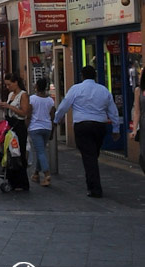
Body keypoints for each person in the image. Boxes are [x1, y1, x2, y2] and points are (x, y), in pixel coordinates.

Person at [54, 65, 120, 197]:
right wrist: (115, 128)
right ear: (94, 76)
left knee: (89, 157)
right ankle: (92, 182)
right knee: (93, 154)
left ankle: (95, 188)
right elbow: (112, 110)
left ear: (82, 76)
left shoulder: (76, 89)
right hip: (99, 125)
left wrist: (57, 120)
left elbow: (64, 105)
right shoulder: (103, 90)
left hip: (82, 125)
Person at [0, 72, 31, 191]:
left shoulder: (23, 95)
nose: (8, 87)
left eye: (9, 84)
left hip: (19, 126)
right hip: (10, 125)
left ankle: (21, 182)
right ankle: (12, 180)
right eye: (6, 85)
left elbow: (24, 113)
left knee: (19, 152)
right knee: (10, 152)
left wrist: (9, 106)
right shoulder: (11, 94)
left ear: (16, 82)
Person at [28, 77, 55, 186]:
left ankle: (47, 174)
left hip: (35, 127)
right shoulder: (50, 100)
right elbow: (53, 116)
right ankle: (35, 173)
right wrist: (52, 131)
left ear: (37, 86)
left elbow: (29, 115)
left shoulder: (32, 99)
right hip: (47, 127)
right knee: (41, 151)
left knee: (40, 152)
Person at [132, 68, 145, 174]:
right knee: (143, 156)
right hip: (144, 125)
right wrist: (134, 129)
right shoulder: (138, 90)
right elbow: (137, 111)